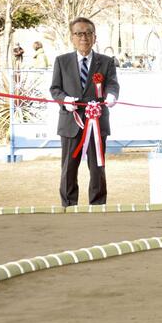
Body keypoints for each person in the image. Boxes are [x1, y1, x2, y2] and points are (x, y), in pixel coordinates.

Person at [50, 17, 120, 206]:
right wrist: (65, 101)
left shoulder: (106, 62)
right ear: (72, 37)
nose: (84, 37)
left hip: (97, 122)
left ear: (94, 37)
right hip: (70, 122)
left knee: (97, 167)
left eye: (88, 33)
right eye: (79, 33)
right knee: (68, 168)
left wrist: (112, 95)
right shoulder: (61, 61)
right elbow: (55, 89)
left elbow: (112, 84)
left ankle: (97, 205)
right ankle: (68, 205)